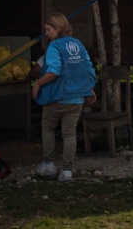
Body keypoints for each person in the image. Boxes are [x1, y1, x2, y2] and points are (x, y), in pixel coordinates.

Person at [32, 12, 96, 183]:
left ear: (58, 29)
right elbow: (88, 67)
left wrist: (38, 84)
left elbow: (54, 71)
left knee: (48, 129)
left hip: (57, 96)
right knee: (69, 134)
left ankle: (49, 165)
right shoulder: (78, 44)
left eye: (49, 30)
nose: (47, 34)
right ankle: (67, 171)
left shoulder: (54, 47)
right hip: (76, 98)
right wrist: (89, 88)